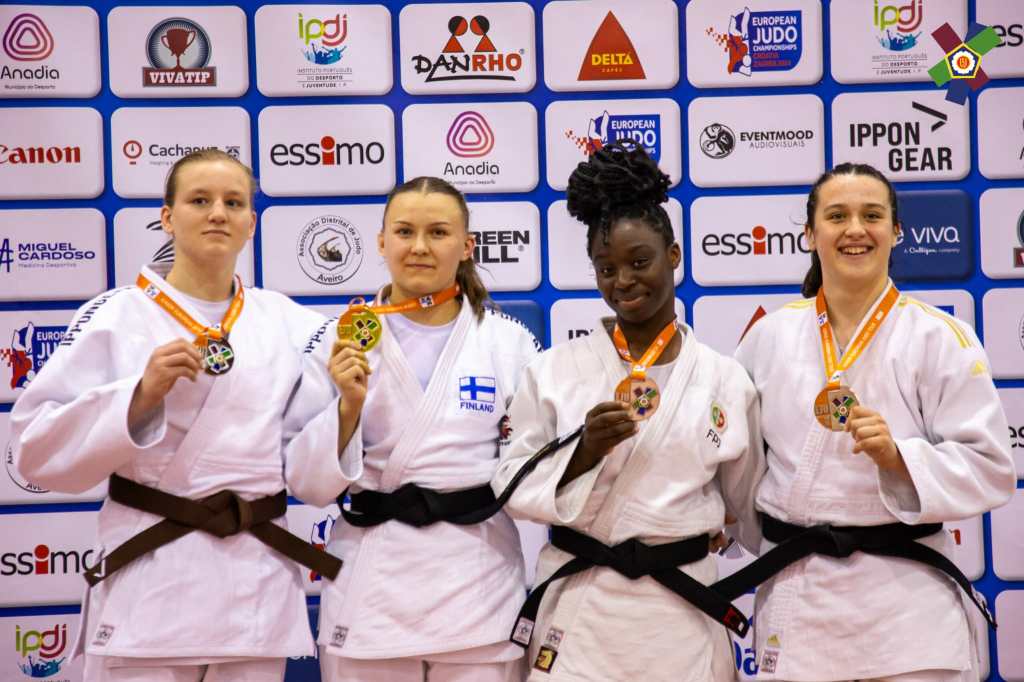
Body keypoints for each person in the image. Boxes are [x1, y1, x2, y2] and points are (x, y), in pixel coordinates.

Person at [11, 149, 336, 682]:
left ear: (251, 223)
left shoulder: (290, 323)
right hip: (151, 584)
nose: (218, 213)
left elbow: (331, 422)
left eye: (234, 202)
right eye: (199, 200)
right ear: (167, 217)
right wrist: (140, 395)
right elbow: (35, 450)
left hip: (253, 588)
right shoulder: (115, 316)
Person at [491, 141, 765, 681]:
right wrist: (582, 453)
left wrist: (705, 528)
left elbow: (750, 501)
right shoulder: (553, 370)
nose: (623, 281)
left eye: (640, 262)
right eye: (606, 268)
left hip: (681, 607)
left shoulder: (724, 379)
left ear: (674, 255)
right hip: (582, 606)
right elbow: (510, 485)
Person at [734, 163, 1016, 682]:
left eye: (872, 215)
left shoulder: (940, 336)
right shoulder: (767, 338)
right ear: (809, 234)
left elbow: (991, 467)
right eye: (837, 216)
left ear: (896, 230)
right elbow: (741, 462)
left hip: (907, 605)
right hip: (802, 593)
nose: (855, 229)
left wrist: (899, 459)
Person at [286, 176, 542, 682]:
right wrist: (348, 408)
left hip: (480, 591)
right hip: (372, 595)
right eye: (404, 232)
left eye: (438, 233)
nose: (419, 247)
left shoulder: (508, 343)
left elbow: (532, 474)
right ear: (382, 242)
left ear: (467, 246)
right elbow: (307, 485)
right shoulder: (340, 340)